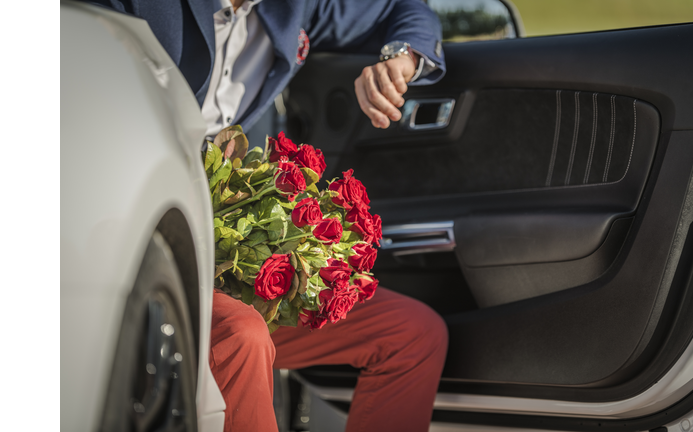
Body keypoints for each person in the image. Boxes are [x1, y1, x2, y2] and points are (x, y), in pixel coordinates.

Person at [85, 0, 449, 430]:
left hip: (229, 245)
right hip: (132, 237)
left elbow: (404, 10)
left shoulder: (299, 6)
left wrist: (398, 59)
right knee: (244, 333)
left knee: (412, 334)